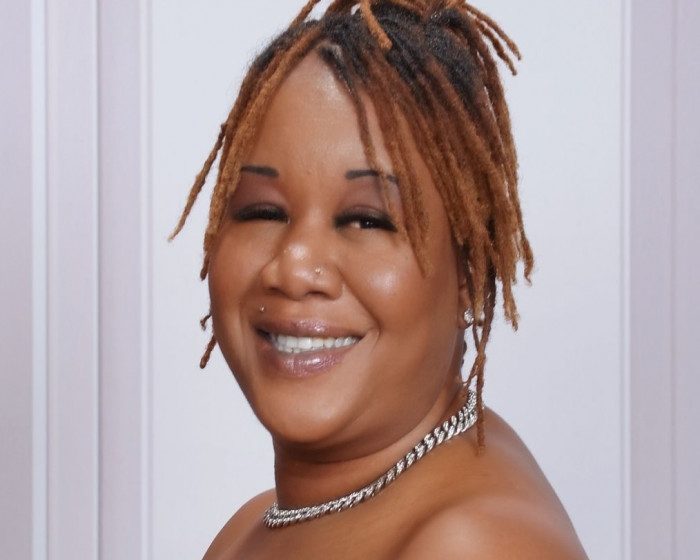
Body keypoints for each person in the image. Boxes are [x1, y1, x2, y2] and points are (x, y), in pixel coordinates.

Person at [171, 1, 588, 557]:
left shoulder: (468, 545)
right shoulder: (250, 530)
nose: (294, 267)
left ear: (470, 269)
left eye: (366, 220)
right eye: (263, 211)